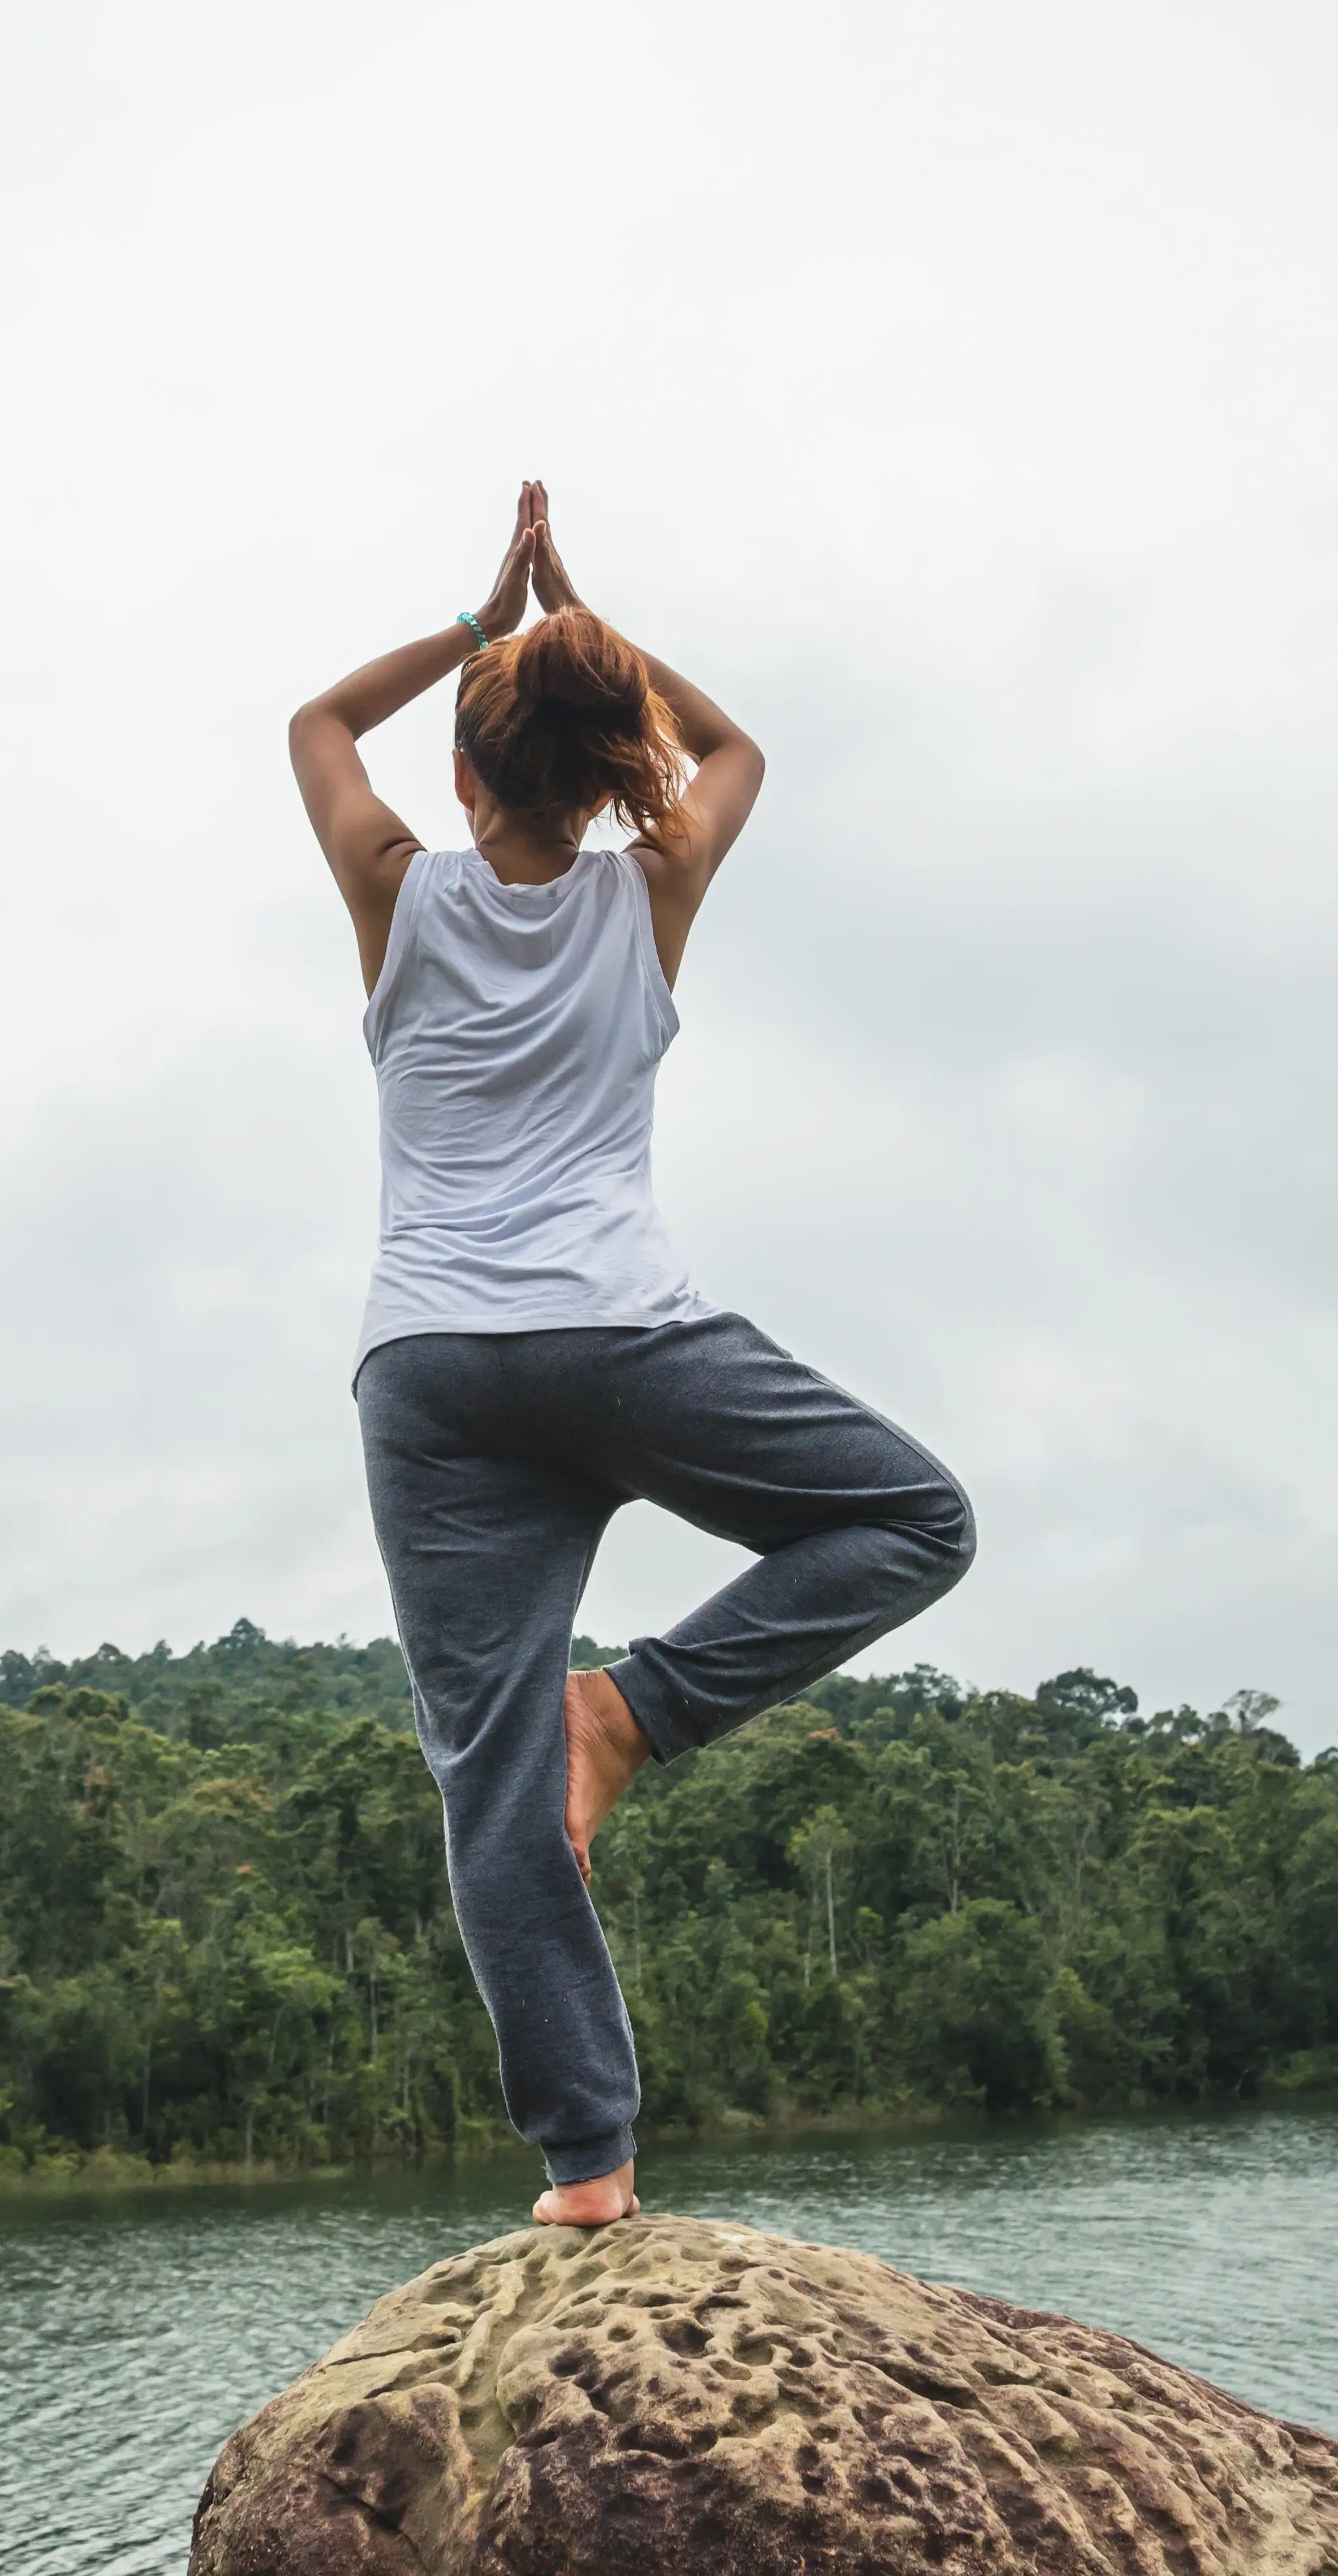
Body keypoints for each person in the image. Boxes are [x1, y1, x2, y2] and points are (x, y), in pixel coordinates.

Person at [286, 483, 977, 2228]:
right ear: (612, 776)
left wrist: (480, 622)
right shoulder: (651, 888)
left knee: (485, 1771)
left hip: (435, 1370)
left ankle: (588, 2172)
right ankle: (638, 1716)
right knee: (912, 1520)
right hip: (620, 1336)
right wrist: (585, 622)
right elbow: (735, 742)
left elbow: (310, 722)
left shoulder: (398, 891)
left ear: (461, 774)